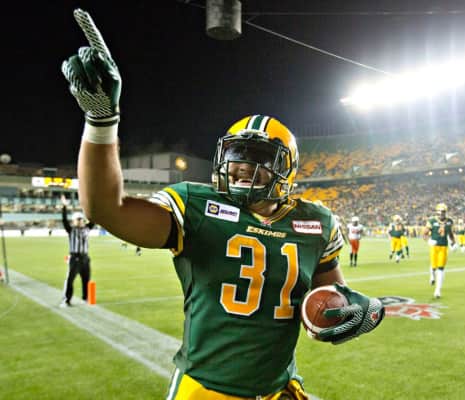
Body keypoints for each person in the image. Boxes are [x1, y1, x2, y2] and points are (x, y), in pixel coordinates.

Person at [61, 9, 384, 399]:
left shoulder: (316, 221)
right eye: (236, 154)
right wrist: (101, 120)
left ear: (287, 169)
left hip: (279, 386)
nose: (243, 166)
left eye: (259, 157)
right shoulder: (196, 205)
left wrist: (355, 312)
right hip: (207, 389)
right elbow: (104, 208)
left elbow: (328, 304)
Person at [60, 195, 95, 307]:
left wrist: (93, 204)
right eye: (78, 219)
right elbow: (64, 220)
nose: (80, 221)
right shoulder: (71, 230)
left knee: (86, 279)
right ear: (74, 221)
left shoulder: (87, 228)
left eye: (81, 219)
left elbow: (94, 218)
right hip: (74, 258)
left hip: (85, 258)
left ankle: (85, 297)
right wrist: (64, 206)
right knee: (70, 280)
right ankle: (66, 300)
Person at [423, 203, 455, 299]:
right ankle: (432, 275)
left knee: (440, 268)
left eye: (443, 212)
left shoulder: (449, 221)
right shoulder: (432, 221)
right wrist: (429, 240)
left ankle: (437, 290)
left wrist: (453, 242)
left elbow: (450, 234)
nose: (441, 214)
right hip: (434, 247)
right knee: (434, 267)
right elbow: (424, 234)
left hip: (444, 247)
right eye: (440, 212)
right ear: (437, 212)